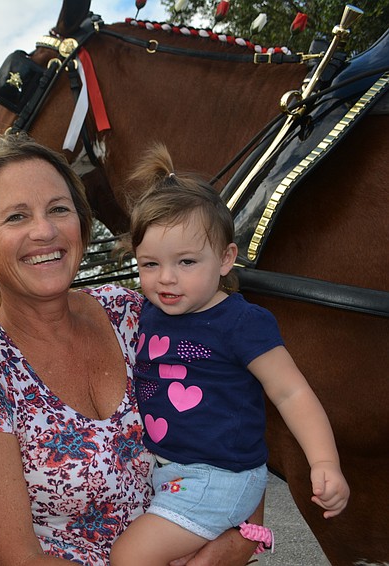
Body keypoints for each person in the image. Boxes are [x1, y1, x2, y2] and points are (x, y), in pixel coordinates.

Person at [0, 132, 262, 565]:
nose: (45, 230)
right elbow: (17, 560)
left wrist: (243, 539)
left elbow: (233, 432)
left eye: (59, 209)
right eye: (17, 217)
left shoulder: (135, 314)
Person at [108, 144, 350, 565]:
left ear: (225, 259)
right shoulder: (148, 312)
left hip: (219, 477)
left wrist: (324, 461)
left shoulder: (240, 322)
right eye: (149, 264)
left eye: (186, 261)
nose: (166, 278)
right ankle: (248, 536)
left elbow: (291, 392)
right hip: (171, 474)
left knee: (130, 556)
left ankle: (244, 531)